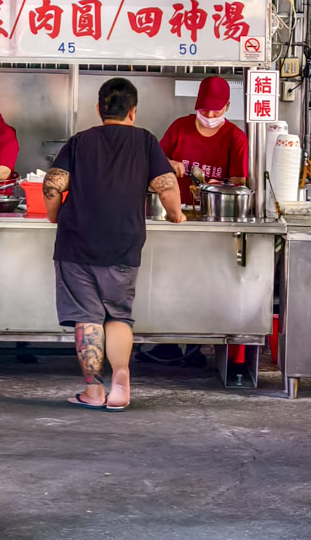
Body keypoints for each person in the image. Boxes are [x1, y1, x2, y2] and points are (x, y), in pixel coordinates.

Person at [43, 78, 185, 411]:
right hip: (124, 241)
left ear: (99, 109)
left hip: (76, 242)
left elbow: (53, 183)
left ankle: (93, 391)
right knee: (119, 316)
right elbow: (166, 187)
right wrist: (176, 215)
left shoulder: (80, 141)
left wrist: (53, 214)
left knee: (86, 317)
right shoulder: (146, 141)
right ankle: (121, 381)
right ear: (133, 112)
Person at [160, 76, 248, 205]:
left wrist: (220, 185)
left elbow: (239, 181)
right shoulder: (180, 127)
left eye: (216, 110)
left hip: (216, 209)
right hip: (175, 206)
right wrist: (169, 163)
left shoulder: (236, 137)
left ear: (227, 106)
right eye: (205, 109)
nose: (210, 115)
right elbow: (154, 158)